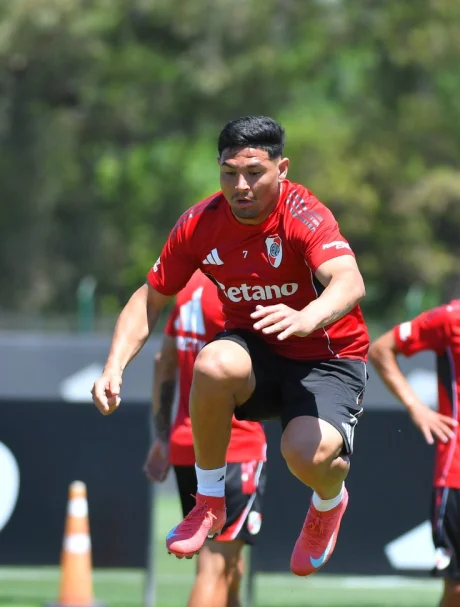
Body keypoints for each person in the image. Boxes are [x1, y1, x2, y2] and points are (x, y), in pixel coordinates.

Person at [92, 115, 369, 577]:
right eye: (229, 173)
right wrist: (114, 366)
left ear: (282, 169)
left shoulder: (304, 214)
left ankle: (329, 501)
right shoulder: (200, 223)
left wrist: (305, 318)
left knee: (307, 456)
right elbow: (151, 298)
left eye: (254, 172)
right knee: (213, 362)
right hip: (255, 351)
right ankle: (208, 502)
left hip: (327, 357)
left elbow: (349, 281)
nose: (240, 186)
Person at [144, 270, 295, 607]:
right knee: (217, 565)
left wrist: (159, 437)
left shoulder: (188, 290)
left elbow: (164, 363)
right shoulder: (234, 291)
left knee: (230, 565)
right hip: (232, 446)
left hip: (188, 442)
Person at [369, 302, 460, 607]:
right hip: (456, 474)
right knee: (457, 586)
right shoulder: (450, 318)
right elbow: (380, 349)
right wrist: (417, 407)